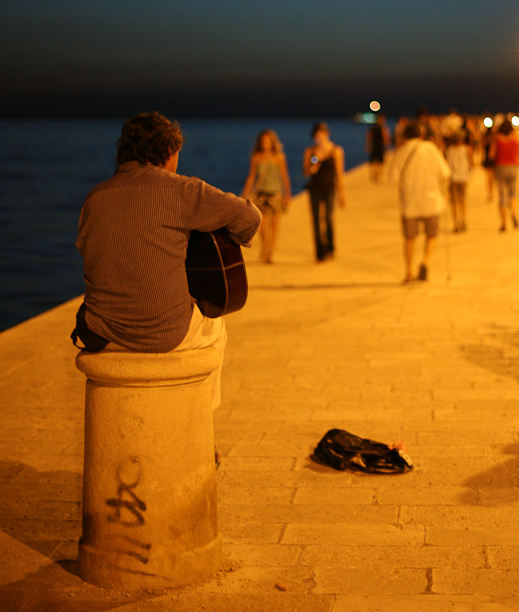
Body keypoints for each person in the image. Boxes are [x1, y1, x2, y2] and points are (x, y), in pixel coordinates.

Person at [73, 111, 261, 418]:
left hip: (102, 331)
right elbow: (249, 217)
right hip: (164, 333)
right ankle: (202, 422)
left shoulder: (94, 197)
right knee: (217, 329)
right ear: (167, 153)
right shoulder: (180, 189)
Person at [391, 121, 450, 283]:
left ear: (404, 137)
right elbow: (445, 173)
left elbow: (393, 178)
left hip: (409, 203)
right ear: (421, 135)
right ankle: (425, 261)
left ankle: (409, 272)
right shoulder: (430, 149)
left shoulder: (400, 152)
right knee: (432, 235)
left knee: (409, 238)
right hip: (431, 200)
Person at [242, 129, 292, 263]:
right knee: (262, 226)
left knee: (275, 226)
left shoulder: (279, 157)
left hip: (276, 193)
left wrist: (288, 194)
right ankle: (265, 246)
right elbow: (251, 177)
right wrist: (244, 194)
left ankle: (270, 253)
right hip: (261, 194)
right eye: (263, 141)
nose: (266, 144)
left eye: (268, 141)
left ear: (272, 142)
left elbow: (284, 176)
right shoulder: (256, 157)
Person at [303, 122, 346, 262]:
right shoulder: (310, 151)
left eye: (322, 134)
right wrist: (311, 169)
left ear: (327, 134)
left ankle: (330, 248)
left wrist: (342, 194)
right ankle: (319, 252)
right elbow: (305, 171)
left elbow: (339, 174)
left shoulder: (336, 150)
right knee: (315, 220)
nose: (319, 137)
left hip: (329, 188)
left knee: (328, 218)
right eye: (316, 135)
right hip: (314, 188)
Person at [489, 116, 519, 232]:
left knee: (502, 194)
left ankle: (503, 223)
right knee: (513, 192)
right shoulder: (515, 138)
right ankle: (513, 212)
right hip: (513, 167)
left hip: (501, 167)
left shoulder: (497, 139)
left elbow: (492, 154)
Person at [445, 129, 474, 232]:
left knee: (454, 202)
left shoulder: (449, 150)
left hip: (453, 178)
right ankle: (463, 220)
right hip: (464, 177)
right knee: (463, 201)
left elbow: (446, 164)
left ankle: (455, 224)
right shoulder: (467, 149)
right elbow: (472, 163)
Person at [365, 114, 391, 182]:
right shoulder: (380, 128)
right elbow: (370, 137)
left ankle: (377, 175)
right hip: (376, 146)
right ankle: (375, 174)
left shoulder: (381, 128)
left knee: (378, 162)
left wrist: (386, 145)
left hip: (379, 146)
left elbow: (385, 138)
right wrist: (368, 145)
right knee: (375, 162)